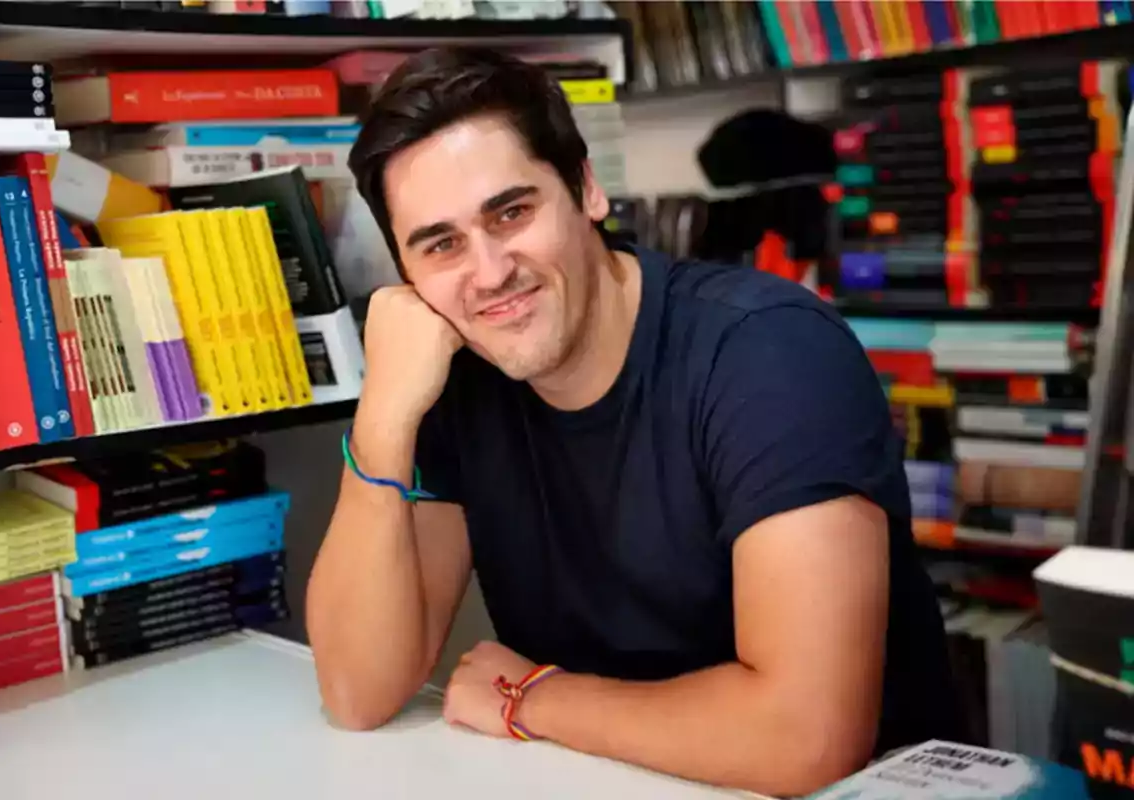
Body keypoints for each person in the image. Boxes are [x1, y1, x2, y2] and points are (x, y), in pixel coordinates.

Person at [305, 46, 958, 797]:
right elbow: (358, 691)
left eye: (511, 212)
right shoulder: (459, 375)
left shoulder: (769, 353)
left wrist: (531, 699)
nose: (487, 274)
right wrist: (383, 413)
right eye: (441, 244)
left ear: (586, 189)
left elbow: (806, 739)